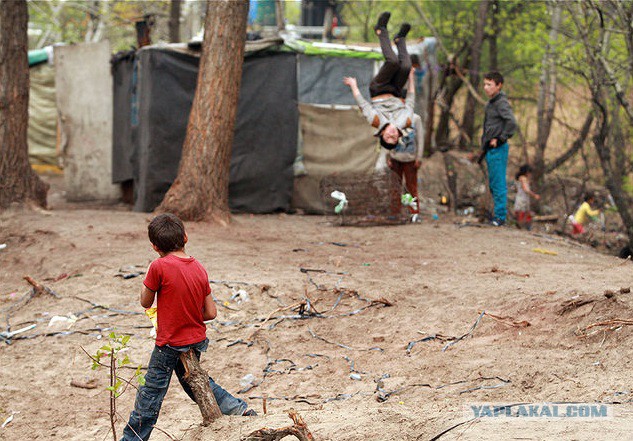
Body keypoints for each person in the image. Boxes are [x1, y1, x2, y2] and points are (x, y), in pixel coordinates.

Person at [121, 213, 255, 441]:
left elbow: (145, 302)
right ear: (185, 237)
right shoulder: (199, 267)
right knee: (195, 381)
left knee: (150, 395)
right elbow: (211, 313)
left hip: (170, 342)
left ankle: (132, 439)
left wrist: (147, 277)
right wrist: (188, 315)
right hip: (196, 338)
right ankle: (239, 409)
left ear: (154, 246)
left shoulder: (158, 267)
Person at [343, 11, 415, 150]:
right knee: (406, 66)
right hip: (396, 91)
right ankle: (400, 40)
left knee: (393, 62)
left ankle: (380, 29)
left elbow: (363, 105)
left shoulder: (375, 121)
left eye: (388, 136)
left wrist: (354, 86)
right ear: (398, 136)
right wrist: (410, 78)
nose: (392, 134)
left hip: (378, 90)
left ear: (382, 133)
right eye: (394, 138)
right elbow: (411, 100)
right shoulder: (406, 121)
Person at [480, 71, 518, 226]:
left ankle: (500, 217)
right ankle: (495, 214)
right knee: (493, 183)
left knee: (499, 183)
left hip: (498, 149)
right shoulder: (492, 103)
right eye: (485, 84)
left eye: (489, 84)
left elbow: (512, 123)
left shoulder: (501, 102)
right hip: (490, 149)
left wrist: (501, 138)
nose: (486, 88)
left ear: (499, 85)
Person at [388, 113, 424, 221]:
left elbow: (420, 138)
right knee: (395, 186)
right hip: (395, 157)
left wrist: (419, 157)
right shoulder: (393, 116)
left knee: (411, 187)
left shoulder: (416, 118)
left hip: (410, 159)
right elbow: (388, 136)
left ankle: (414, 212)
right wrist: (388, 156)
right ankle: (395, 213)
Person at [513, 164, 540, 230]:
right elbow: (526, 189)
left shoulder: (519, 178)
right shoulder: (523, 178)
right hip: (523, 198)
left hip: (519, 197)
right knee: (523, 213)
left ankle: (521, 226)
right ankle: (523, 227)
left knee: (522, 212)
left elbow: (515, 189)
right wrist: (534, 195)